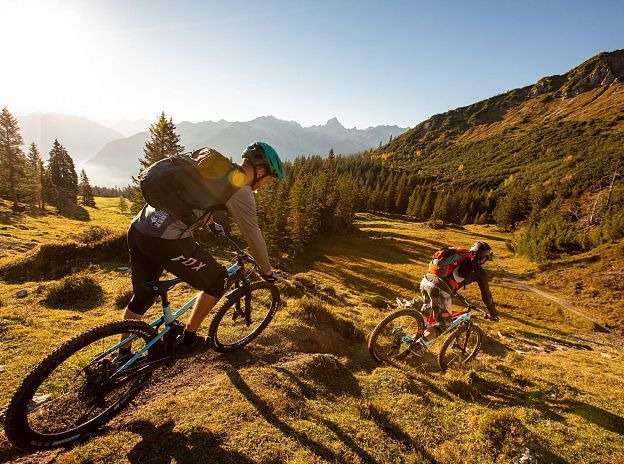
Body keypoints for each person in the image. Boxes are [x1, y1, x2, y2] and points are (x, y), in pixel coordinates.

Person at [118, 142, 284, 361]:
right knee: (217, 281)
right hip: (163, 239)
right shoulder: (241, 189)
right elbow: (254, 237)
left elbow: (195, 196)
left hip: (139, 228)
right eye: (268, 179)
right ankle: (188, 340)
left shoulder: (214, 166)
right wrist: (267, 271)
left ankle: (123, 355)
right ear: (261, 171)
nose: (265, 184)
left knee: (142, 297)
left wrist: (211, 223)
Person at [413, 241, 498, 352]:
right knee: (444, 324)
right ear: (484, 259)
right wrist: (493, 313)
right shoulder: (478, 271)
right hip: (439, 289)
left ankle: (410, 338)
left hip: (426, 280)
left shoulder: (461, 255)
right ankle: (417, 346)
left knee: (426, 314)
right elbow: (486, 296)